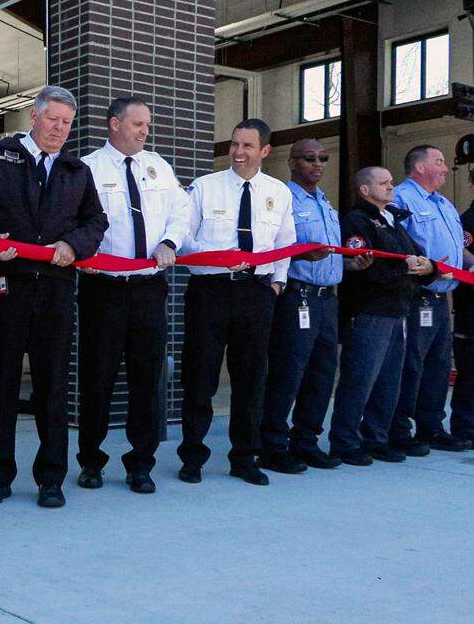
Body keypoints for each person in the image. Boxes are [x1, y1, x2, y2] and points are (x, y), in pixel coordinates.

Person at [0, 86, 107, 509]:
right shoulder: (0, 157)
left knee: (53, 386)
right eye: (52, 119)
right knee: (2, 384)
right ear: (34, 116)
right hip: (6, 283)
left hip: (55, 288)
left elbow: (96, 222)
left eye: (66, 123)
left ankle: (51, 478)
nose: (59, 129)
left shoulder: (76, 170)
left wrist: (73, 245)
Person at [75, 96, 188, 494]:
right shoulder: (88, 168)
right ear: (114, 124)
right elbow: (74, 221)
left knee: (147, 378)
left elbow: (182, 212)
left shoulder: (159, 167)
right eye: (138, 124)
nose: (145, 131)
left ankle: (141, 463)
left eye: (147, 125)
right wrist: (81, 255)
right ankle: (91, 461)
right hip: (102, 289)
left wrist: (170, 241)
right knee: (97, 378)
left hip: (149, 289)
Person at [176, 118, 295, 486]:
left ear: (265, 150)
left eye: (247, 146)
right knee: (200, 377)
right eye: (234, 144)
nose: (238, 152)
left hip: (256, 294)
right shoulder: (204, 187)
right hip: (210, 292)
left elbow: (285, 244)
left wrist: (277, 284)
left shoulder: (278, 192)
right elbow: (183, 238)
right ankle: (192, 457)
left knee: (251, 379)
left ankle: (244, 458)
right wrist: (218, 257)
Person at [328, 167, 437, 465]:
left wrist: (429, 268)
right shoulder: (357, 221)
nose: (391, 186)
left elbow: (417, 254)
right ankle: (345, 441)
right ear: (365, 190)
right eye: (383, 183)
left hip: (396, 311)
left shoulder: (391, 220)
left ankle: (376, 438)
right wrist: (406, 267)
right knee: (360, 379)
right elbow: (364, 266)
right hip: (369, 311)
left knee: (389, 381)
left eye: (391, 182)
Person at [257, 139, 344, 473]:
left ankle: (306, 441)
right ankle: (272, 445)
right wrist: (302, 254)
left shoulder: (325, 202)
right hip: (298, 295)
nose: (318, 163)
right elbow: (271, 246)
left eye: (323, 158)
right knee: (288, 371)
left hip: (327, 298)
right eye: (310, 158)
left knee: (322, 373)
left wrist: (352, 262)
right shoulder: (283, 199)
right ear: (292, 162)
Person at [389, 145, 471, 454]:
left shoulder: (444, 204)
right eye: (439, 161)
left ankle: (431, 427)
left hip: (440, 298)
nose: (446, 168)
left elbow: (456, 247)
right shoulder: (400, 198)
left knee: (438, 365)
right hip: (414, 296)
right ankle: (399, 428)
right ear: (420, 167)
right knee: (410, 364)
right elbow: (395, 244)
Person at [449, 178, 474, 444]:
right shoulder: (467, 221)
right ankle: (465, 426)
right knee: (470, 370)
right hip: (470, 309)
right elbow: (460, 255)